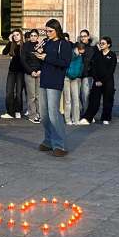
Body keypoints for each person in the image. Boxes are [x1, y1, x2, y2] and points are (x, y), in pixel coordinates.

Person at [34, 19, 73, 156]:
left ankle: (59, 145)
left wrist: (46, 58)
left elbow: (65, 63)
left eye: (50, 31)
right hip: (44, 80)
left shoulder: (65, 44)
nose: (47, 33)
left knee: (53, 114)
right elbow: (42, 60)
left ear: (57, 30)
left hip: (55, 81)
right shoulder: (47, 42)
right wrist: (38, 54)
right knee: (44, 114)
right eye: (46, 31)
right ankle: (48, 140)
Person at [79, 36, 117, 125]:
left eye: (103, 43)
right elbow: (93, 68)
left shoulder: (112, 55)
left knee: (108, 100)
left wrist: (102, 81)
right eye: (100, 43)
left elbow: (111, 70)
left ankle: (106, 117)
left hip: (108, 81)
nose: (101, 45)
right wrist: (96, 80)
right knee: (94, 100)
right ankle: (88, 118)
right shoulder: (97, 54)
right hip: (97, 81)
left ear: (108, 45)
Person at [1, 30, 25, 120]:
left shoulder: (25, 46)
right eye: (14, 35)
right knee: (9, 92)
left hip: (21, 72)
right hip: (12, 71)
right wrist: (10, 42)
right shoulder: (12, 45)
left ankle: (18, 110)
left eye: (17, 35)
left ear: (21, 35)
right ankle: (10, 112)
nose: (15, 37)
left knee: (18, 92)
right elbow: (4, 52)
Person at [21, 29, 42, 124]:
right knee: (31, 96)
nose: (33, 37)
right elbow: (23, 61)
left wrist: (40, 70)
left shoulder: (41, 46)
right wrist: (31, 71)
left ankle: (39, 114)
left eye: (35, 35)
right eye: (31, 35)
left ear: (38, 37)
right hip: (29, 73)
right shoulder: (25, 46)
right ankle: (32, 115)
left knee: (38, 95)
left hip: (39, 73)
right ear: (29, 37)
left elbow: (43, 60)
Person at [64, 42, 86, 126]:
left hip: (75, 78)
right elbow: (66, 63)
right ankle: (67, 119)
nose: (81, 54)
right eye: (80, 51)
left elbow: (81, 66)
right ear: (77, 49)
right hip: (66, 77)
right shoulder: (70, 53)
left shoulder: (80, 56)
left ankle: (76, 119)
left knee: (76, 98)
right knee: (68, 100)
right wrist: (75, 54)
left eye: (82, 52)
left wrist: (78, 75)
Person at [77, 30, 95, 112]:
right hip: (77, 74)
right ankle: (83, 110)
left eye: (84, 36)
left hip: (87, 74)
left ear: (88, 37)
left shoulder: (92, 47)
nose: (83, 38)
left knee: (86, 95)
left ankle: (87, 114)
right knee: (78, 95)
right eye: (81, 36)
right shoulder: (77, 46)